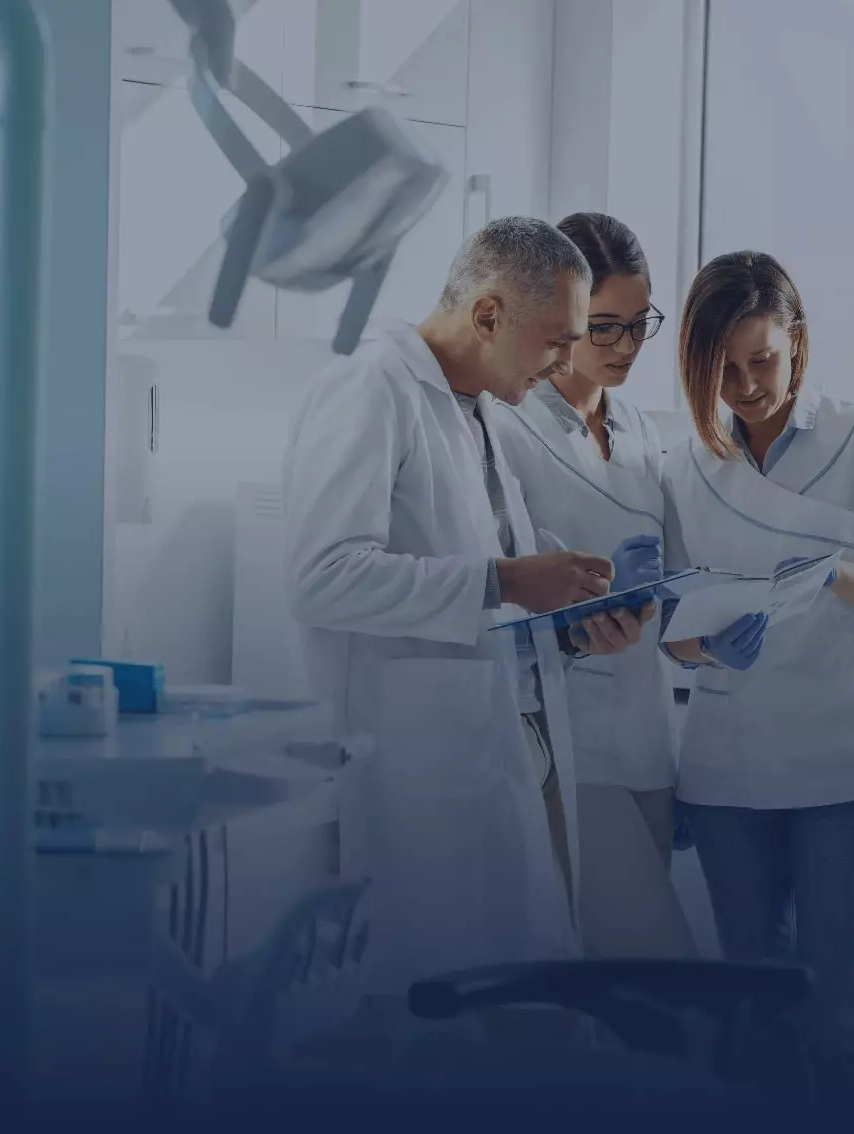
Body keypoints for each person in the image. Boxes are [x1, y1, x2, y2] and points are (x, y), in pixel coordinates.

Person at [281, 216, 656, 1005]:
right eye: (556, 341)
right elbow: (323, 576)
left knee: (529, 1005)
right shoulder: (370, 386)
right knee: (443, 1017)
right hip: (423, 765)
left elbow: (492, 591)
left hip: (515, 746)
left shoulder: (475, 406)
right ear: (488, 314)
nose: (565, 363)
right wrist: (507, 581)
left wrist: (576, 624)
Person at [662, 251, 854, 1094]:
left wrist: (836, 575)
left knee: (838, 1019)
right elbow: (670, 630)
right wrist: (706, 647)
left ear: (796, 342)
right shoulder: (683, 467)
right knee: (751, 1015)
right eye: (721, 368)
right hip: (728, 772)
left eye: (761, 360)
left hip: (849, 768)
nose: (746, 385)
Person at [489, 212, 713, 961]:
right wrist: (571, 626)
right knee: (656, 979)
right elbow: (494, 589)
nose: (625, 347)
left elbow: (677, 578)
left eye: (639, 324)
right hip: (566, 740)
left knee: (620, 992)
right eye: (604, 327)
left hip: (648, 736)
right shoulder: (506, 424)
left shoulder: (644, 429)